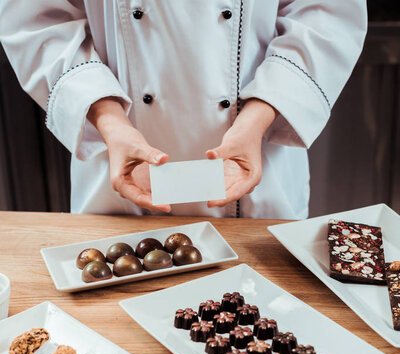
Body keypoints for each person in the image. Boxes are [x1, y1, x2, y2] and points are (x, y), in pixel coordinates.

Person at [0, 1, 367, 218]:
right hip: (117, 167)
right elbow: (36, 21)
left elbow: (325, 16)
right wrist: (110, 121)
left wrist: (255, 119)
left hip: (257, 174)